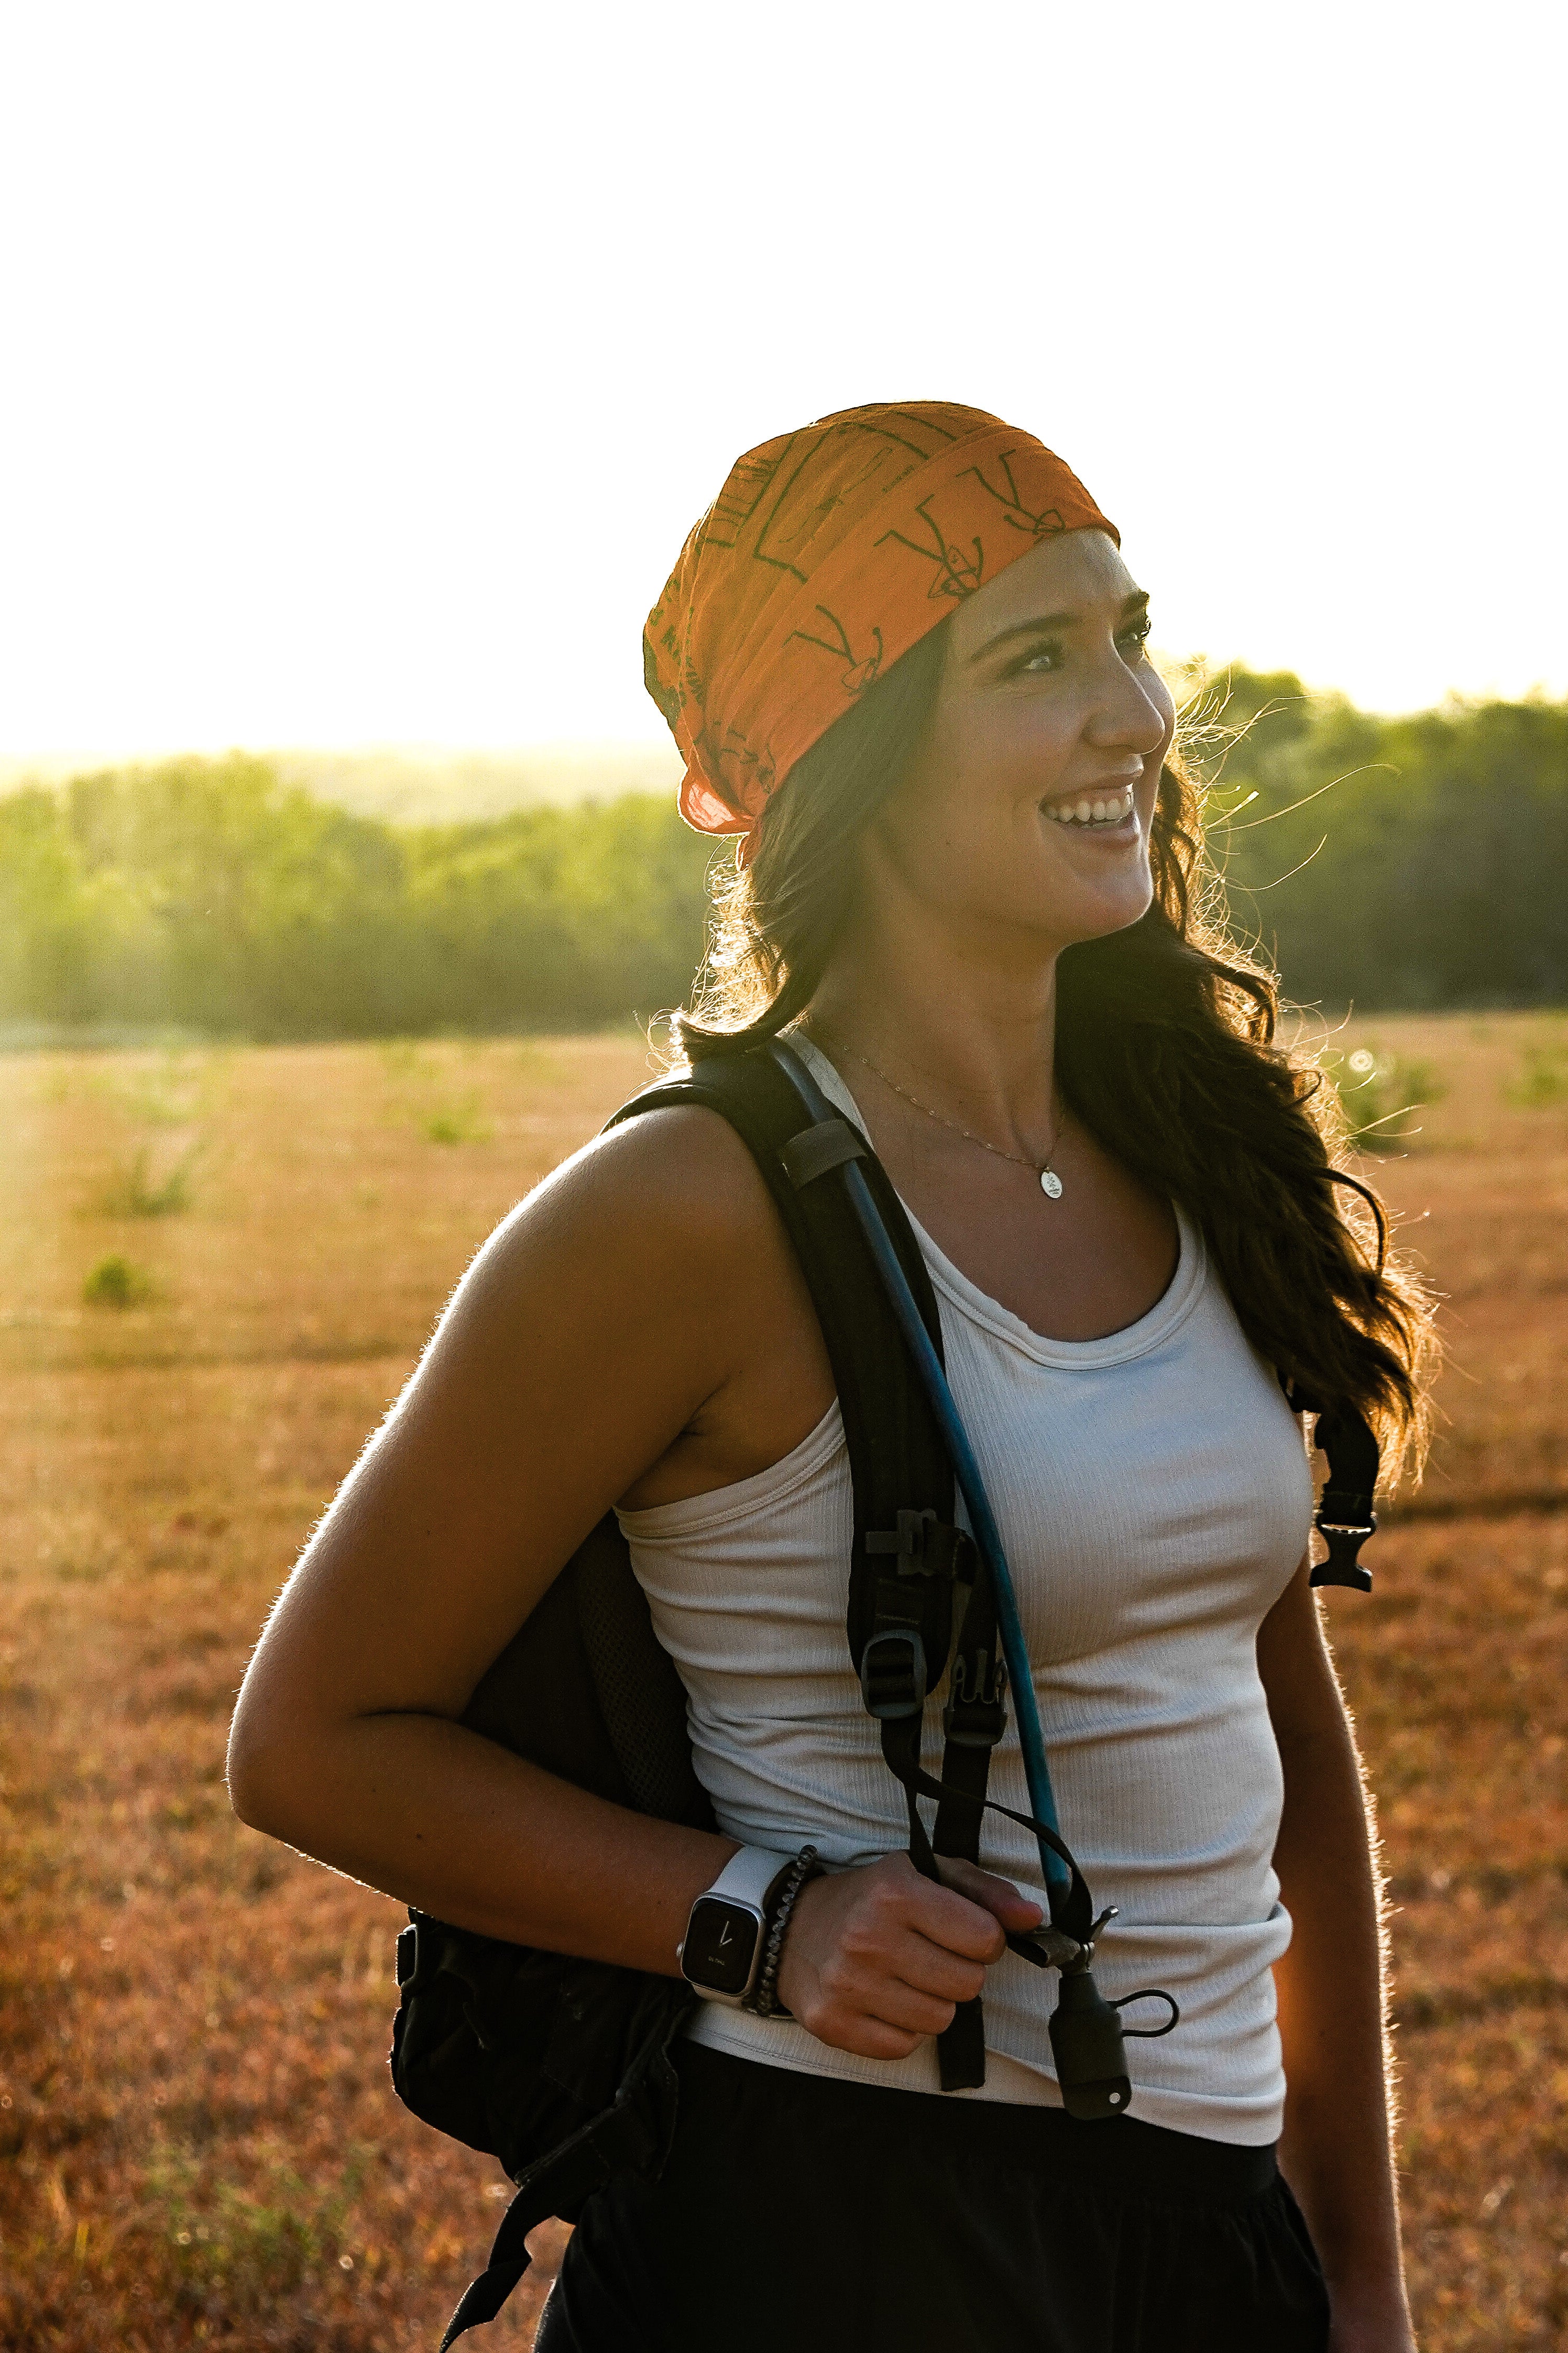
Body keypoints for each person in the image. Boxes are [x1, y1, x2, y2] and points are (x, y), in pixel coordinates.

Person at [228, 402, 1434, 2351]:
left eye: (1127, 633)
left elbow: (1280, 1753)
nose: (1130, 709)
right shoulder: (686, 1210)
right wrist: (766, 1918)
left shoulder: (1195, 1151)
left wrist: (1355, 2270)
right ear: (850, 754)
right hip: (838, 2236)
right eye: (1034, 661)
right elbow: (312, 1734)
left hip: (1206, 2242)